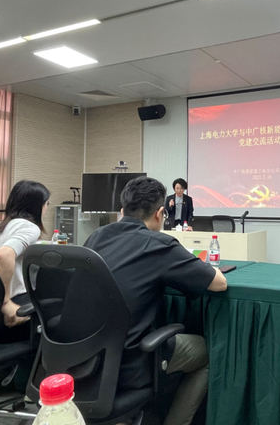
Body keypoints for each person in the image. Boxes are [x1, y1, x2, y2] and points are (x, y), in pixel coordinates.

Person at [84, 176, 227, 425]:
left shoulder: (95, 237)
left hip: (82, 356)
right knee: (207, 352)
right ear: (160, 213)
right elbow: (218, 283)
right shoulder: (158, 243)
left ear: (122, 210)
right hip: (130, 359)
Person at [0, 180, 50, 340]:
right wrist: (5, 303)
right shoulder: (30, 227)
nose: (47, 208)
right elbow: (4, 254)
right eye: (47, 204)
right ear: (38, 206)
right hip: (12, 310)